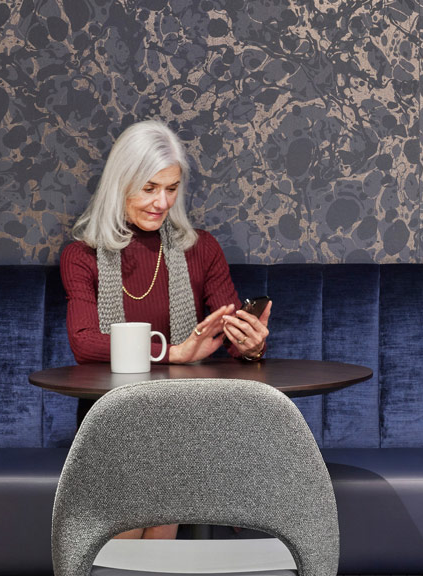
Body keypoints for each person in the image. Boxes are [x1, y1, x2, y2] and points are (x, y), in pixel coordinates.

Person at [60, 120, 271, 540]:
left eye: (171, 188)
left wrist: (250, 346)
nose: (162, 202)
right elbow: (84, 342)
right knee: (146, 467)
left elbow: (228, 336)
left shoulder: (202, 249)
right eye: (149, 188)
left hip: (185, 411)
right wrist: (174, 353)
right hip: (113, 412)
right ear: (121, 184)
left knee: (167, 460)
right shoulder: (81, 256)